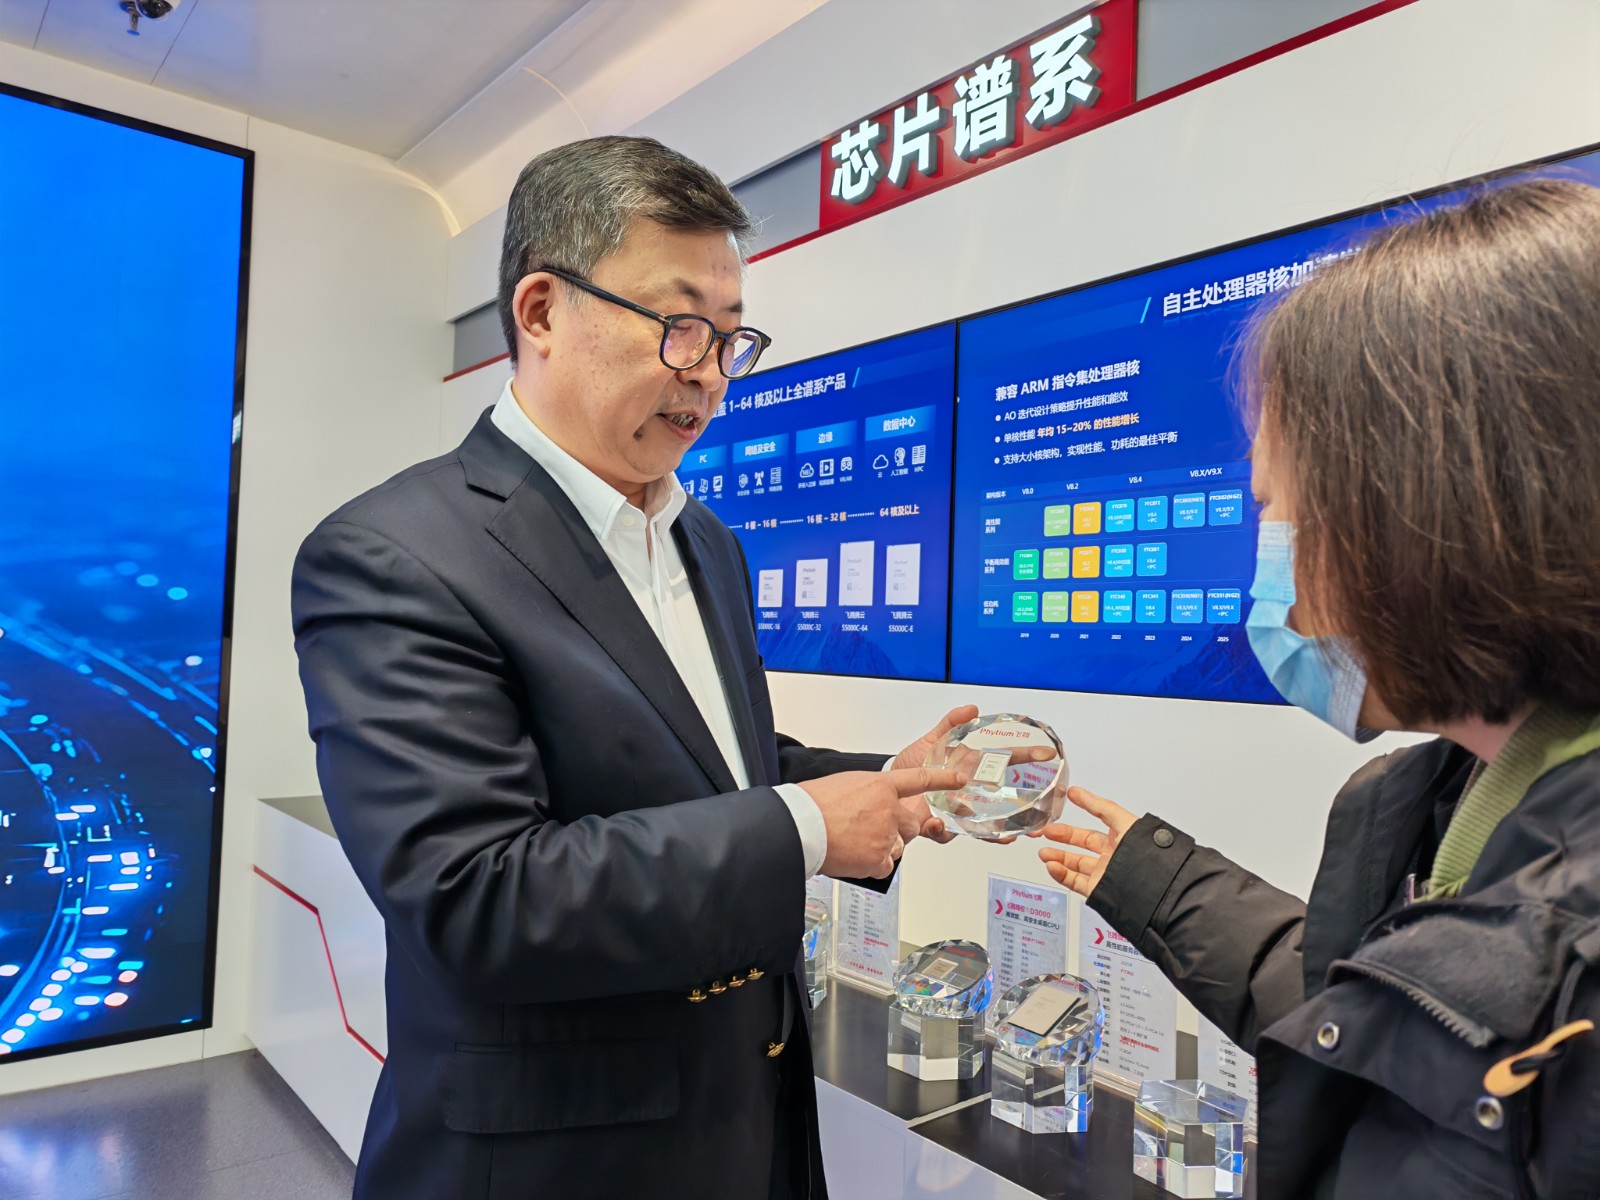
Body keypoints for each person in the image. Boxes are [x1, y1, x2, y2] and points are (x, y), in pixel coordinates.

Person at [291, 135, 970, 1200]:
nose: (708, 373)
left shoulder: (706, 543)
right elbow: (476, 897)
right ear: (541, 311)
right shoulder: (394, 555)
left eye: (731, 339)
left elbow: (700, 760)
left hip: (746, 1122)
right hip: (554, 1159)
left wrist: (881, 784)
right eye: (678, 325)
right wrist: (805, 825)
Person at [1037, 179, 1600, 1199]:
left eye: (1277, 510)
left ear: (1422, 509)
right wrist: (1159, 882)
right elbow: (1398, 1028)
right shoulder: (1462, 796)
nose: (1268, 564)